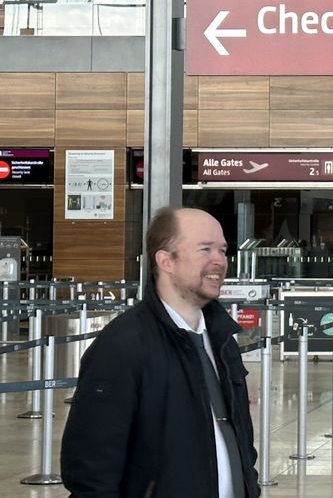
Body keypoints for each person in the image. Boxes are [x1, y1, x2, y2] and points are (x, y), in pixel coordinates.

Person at [61, 207, 260, 498]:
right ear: (166, 260)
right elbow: (92, 469)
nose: (220, 261)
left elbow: (241, 441)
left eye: (223, 250)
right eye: (205, 249)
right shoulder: (123, 346)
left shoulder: (222, 339)